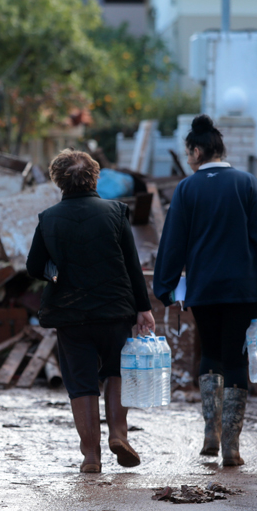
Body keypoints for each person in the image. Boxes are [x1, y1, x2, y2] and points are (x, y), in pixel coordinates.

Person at [153, 115, 257, 467]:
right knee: (235, 357)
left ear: (196, 150)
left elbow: (173, 242)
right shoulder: (247, 183)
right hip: (244, 288)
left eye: (189, 152)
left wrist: (164, 287)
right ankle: (231, 445)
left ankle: (211, 430)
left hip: (203, 288)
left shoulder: (187, 188)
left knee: (209, 351)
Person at [26, 149, 155, 473]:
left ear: (58, 180)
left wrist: (52, 271)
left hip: (70, 315)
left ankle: (90, 457)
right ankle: (118, 434)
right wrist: (144, 308)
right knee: (115, 371)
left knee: (81, 383)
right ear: (95, 177)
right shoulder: (115, 211)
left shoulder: (48, 218)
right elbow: (132, 266)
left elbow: (33, 266)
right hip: (115, 311)